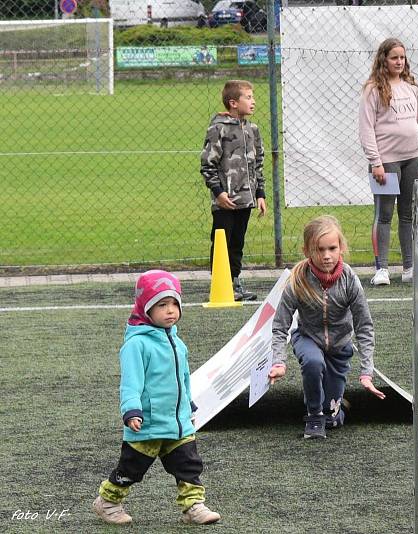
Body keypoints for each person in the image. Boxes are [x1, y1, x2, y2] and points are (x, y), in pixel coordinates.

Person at [92, 270, 220, 526]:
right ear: (146, 308)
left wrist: (189, 404)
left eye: (175, 303)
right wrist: (131, 411)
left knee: (188, 466)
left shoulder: (177, 343)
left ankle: (193, 506)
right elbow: (130, 383)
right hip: (148, 423)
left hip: (178, 423)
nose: (171, 310)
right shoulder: (136, 345)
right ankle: (108, 501)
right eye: (162, 305)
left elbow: (183, 378)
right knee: (131, 469)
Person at [268, 215, 386, 439]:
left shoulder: (350, 280)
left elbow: (364, 326)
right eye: (319, 249)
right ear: (307, 250)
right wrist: (278, 362)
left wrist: (366, 373)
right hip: (307, 338)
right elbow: (280, 325)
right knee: (313, 362)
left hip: (339, 346)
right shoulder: (298, 280)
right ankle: (313, 415)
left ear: (341, 247)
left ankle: (334, 410)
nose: (326, 255)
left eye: (332, 248)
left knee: (332, 420)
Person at [358, 37, 418, 286]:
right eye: (394, 58)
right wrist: (376, 162)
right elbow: (366, 128)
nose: (399, 62)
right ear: (384, 60)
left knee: (407, 215)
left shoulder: (412, 87)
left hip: (412, 159)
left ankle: (410, 267)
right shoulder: (373, 89)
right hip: (387, 162)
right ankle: (382, 269)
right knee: (384, 214)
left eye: (402, 57)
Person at [200, 79, 267, 301]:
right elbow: (208, 164)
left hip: (246, 200)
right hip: (225, 201)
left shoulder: (253, 130)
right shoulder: (218, 128)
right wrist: (219, 193)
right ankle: (221, 284)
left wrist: (260, 194)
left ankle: (236, 282)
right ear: (233, 103)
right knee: (222, 241)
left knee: (238, 241)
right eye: (248, 97)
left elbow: (257, 164)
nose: (253, 101)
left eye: (253, 97)